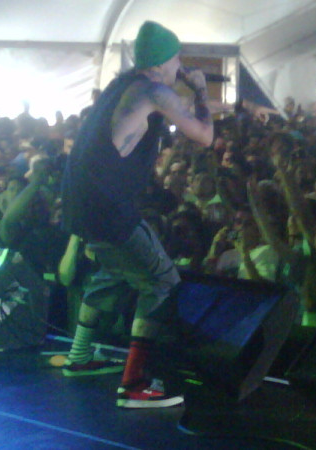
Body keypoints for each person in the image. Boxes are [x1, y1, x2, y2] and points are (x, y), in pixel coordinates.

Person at [60, 20, 213, 409]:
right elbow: (205, 135)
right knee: (162, 280)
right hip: (108, 205)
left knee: (118, 269)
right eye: (177, 57)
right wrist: (200, 90)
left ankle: (79, 357)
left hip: (82, 201)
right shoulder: (155, 90)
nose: (180, 65)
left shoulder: (121, 85)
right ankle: (134, 383)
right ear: (162, 60)